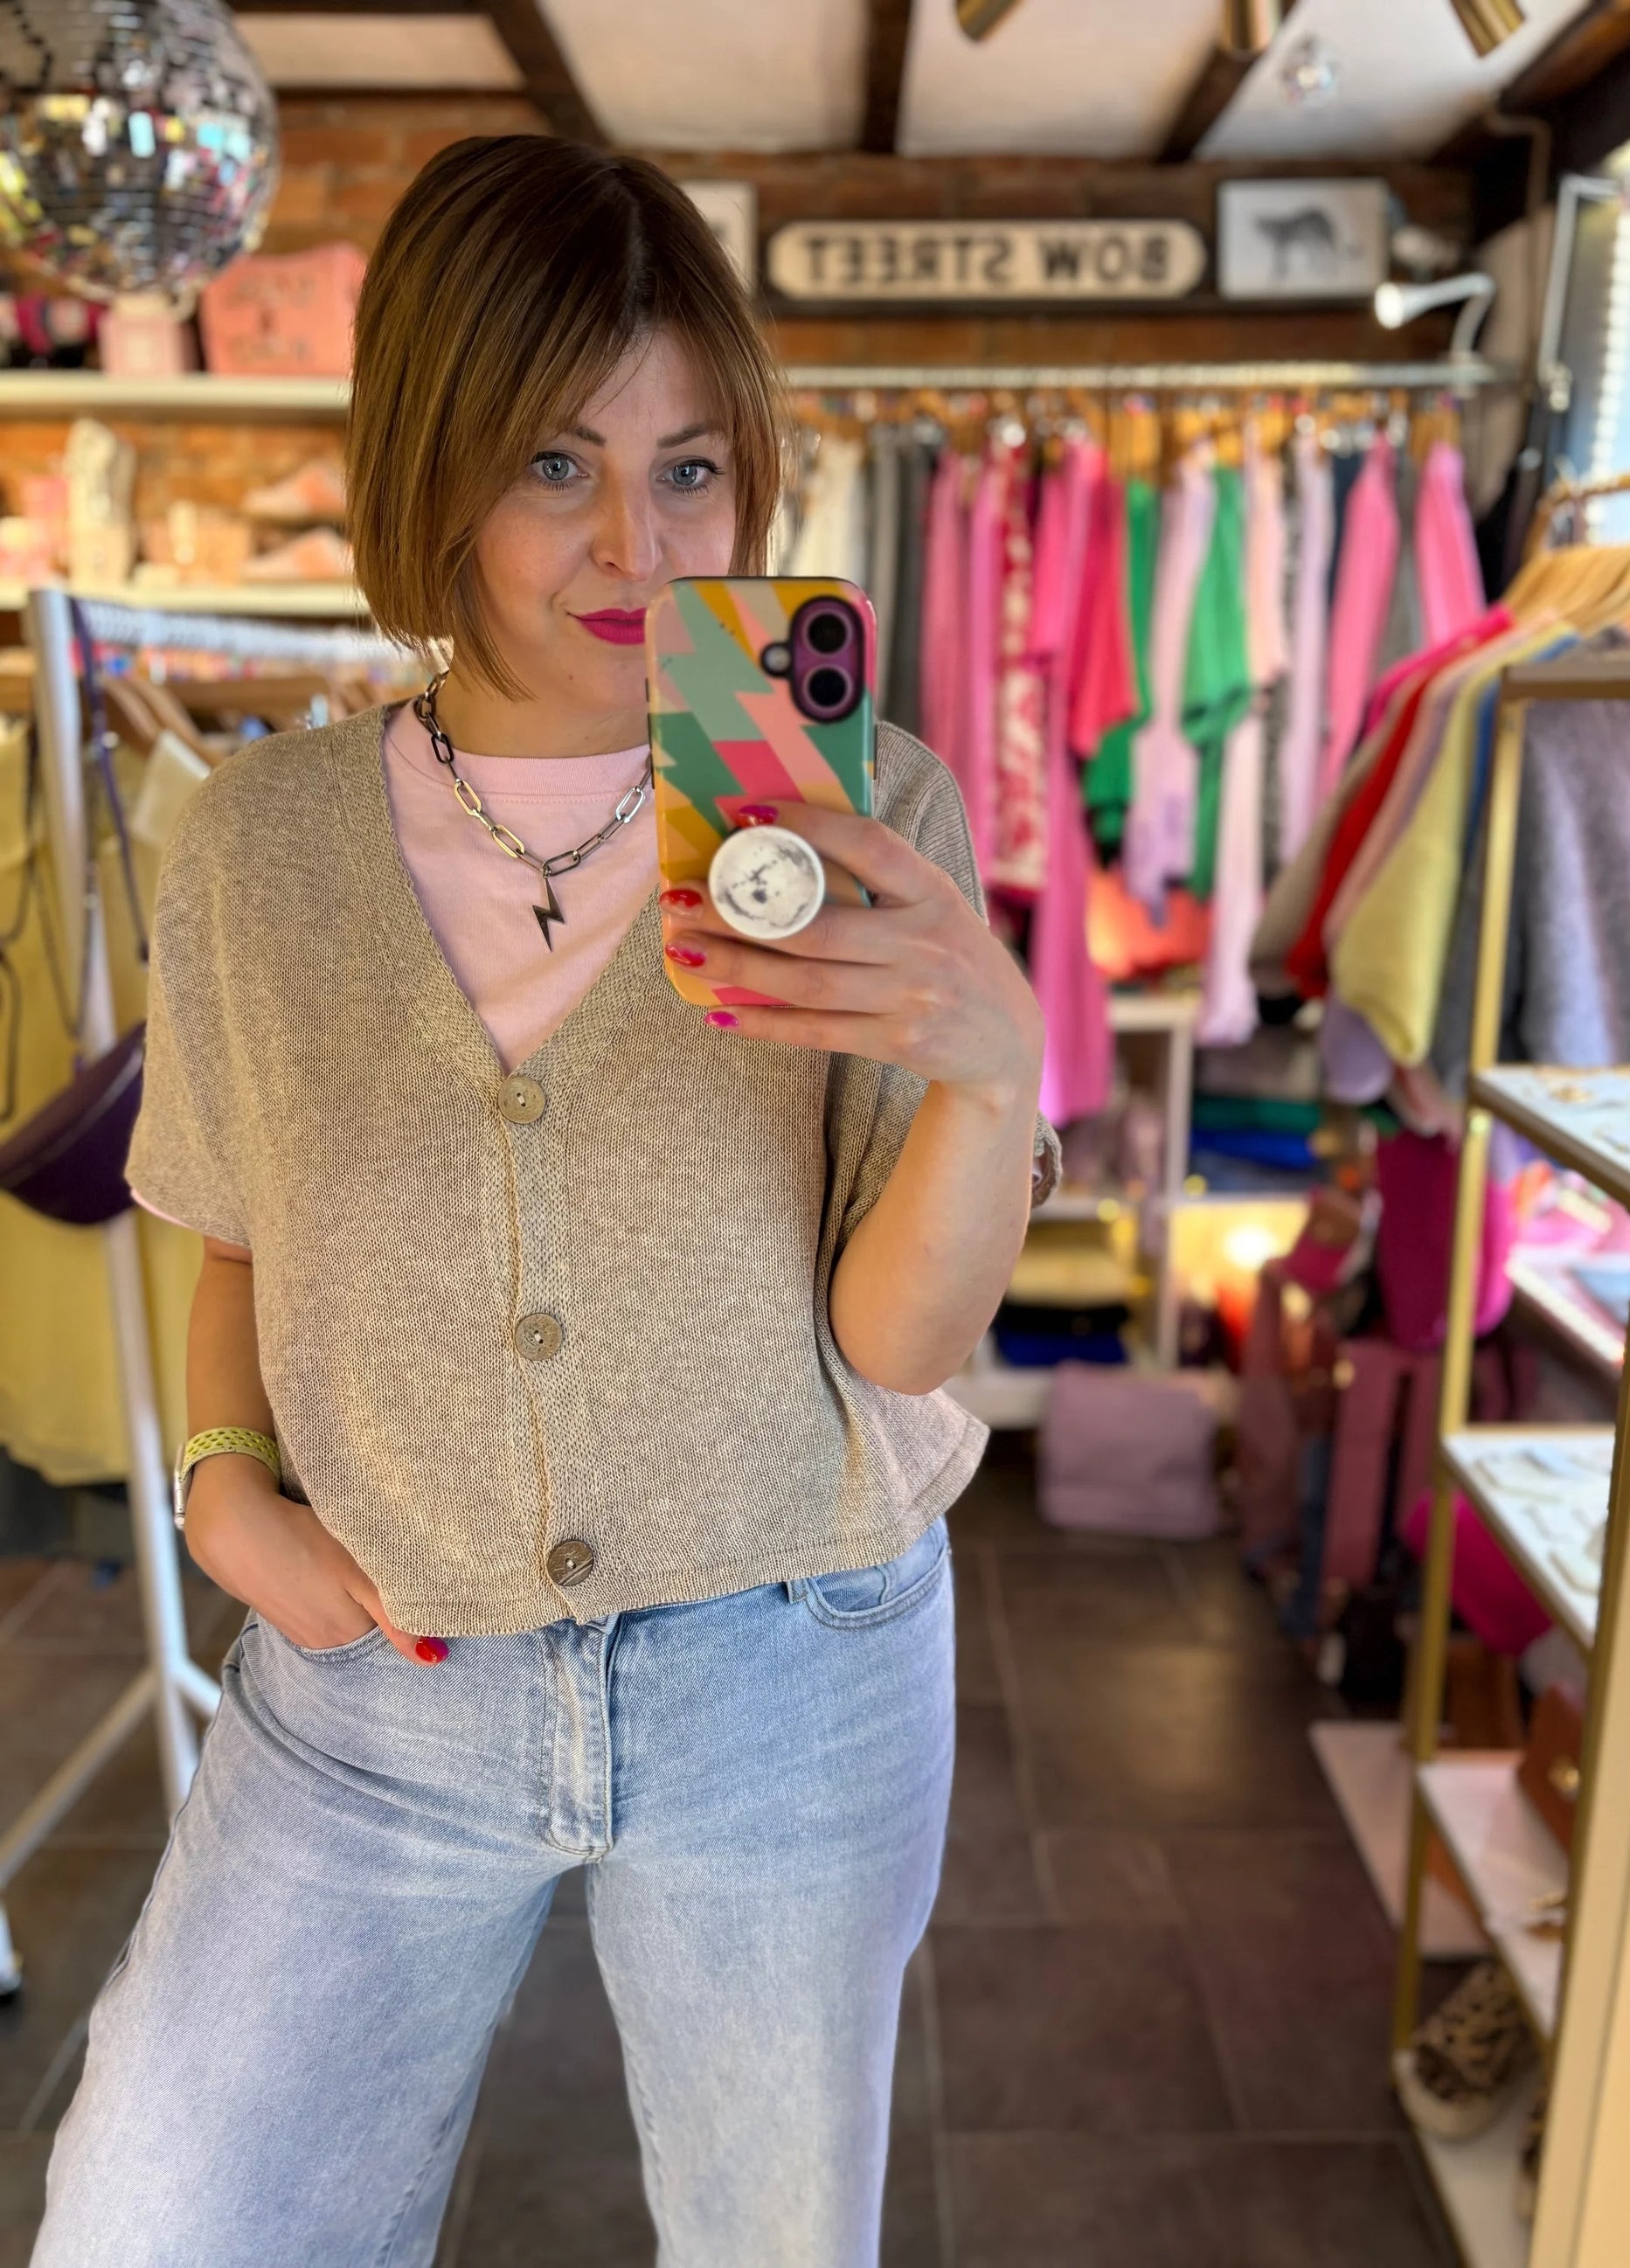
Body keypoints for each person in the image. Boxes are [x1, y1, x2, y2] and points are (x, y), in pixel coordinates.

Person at [33, 138, 1053, 2268]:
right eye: (552, 463)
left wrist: (991, 1065)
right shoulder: (267, 842)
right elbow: (236, 1221)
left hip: (789, 1650)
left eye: (690, 469)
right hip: (380, 1672)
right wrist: (224, 1483)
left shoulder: (865, 813)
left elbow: (892, 1344)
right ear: (436, 462)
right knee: (157, 2218)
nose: (633, 540)